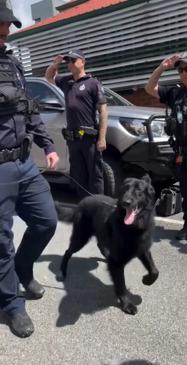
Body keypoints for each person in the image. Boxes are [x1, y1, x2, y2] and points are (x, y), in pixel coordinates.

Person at [0, 0, 59, 338]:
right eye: (2, 24)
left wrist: (48, 146)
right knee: (1, 241)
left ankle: (23, 266)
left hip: (24, 162)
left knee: (46, 220)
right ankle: (11, 304)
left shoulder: (14, 64)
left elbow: (29, 109)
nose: (7, 29)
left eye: (9, 24)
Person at [145, 51, 187, 245]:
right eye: (180, 69)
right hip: (182, 154)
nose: (183, 73)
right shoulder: (175, 93)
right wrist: (162, 68)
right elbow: (149, 88)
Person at [45, 49, 108, 198]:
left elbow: (103, 111)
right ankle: (84, 207)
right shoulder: (66, 81)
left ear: (83, 62)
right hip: (73, 139)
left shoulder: (93, 83)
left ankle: (98, 207)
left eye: (74, 60)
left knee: (95, 175)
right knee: (78, 176)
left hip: (89, 139)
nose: (70, 64)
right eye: (69, 61)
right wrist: (55, 64)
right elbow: (48, 77)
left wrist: (102, 138)